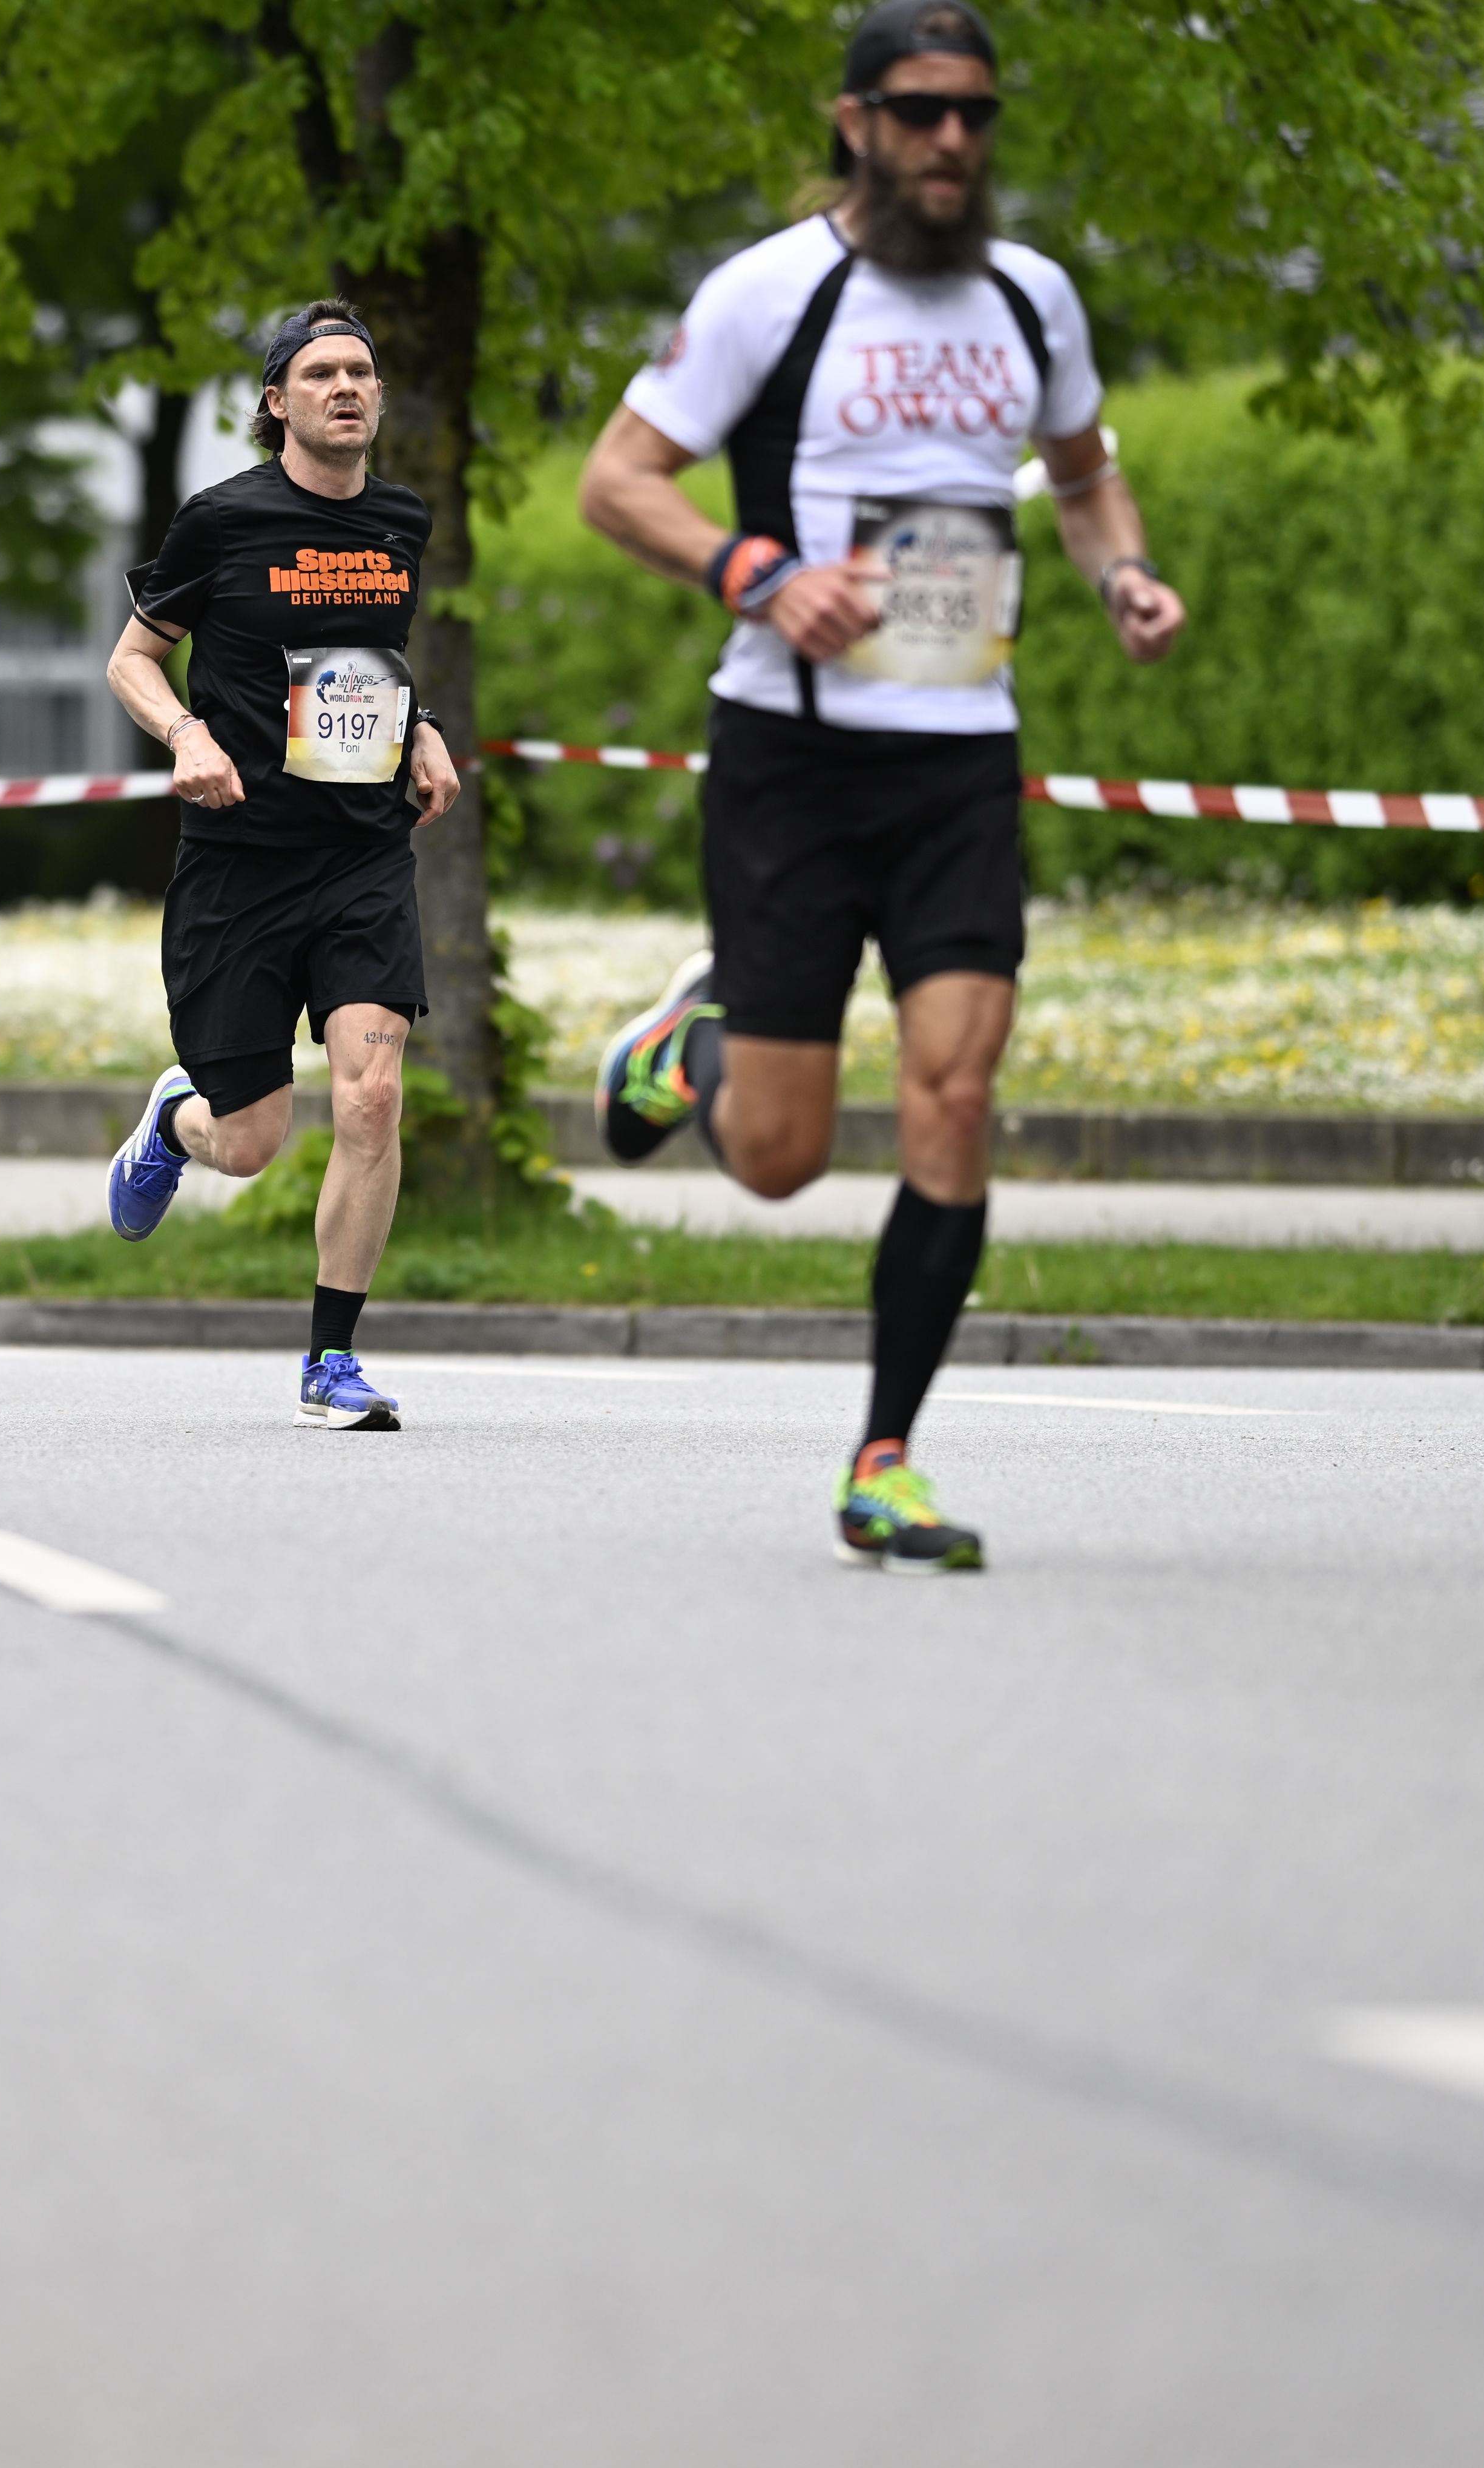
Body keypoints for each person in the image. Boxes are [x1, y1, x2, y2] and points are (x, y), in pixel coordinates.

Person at [576, 0, 1184, 1571]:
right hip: (791, 761)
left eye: (975, 112)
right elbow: (616, 482)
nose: (952, 140)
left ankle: (886, 1460)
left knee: (956, 1094)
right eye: (920, 111)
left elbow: (1086, 472)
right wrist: (757, 573)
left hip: (959, 757)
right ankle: (691, 1044)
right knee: (783, 1159)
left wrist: (1122, 574)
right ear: (856, 123)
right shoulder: (769, 291)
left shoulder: (1033, 297)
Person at [100, 301, 462, 1430]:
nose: (345, 388)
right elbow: (132, 660)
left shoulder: (402, 520)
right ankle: (178, 1122)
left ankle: (331, 1360)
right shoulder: (221, 520)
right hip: (241, 862)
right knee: (251, 1141)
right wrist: (186, 734)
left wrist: (425, 729)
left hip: (362, 854)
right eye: (319, 374)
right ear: (277, 402)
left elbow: (374, 660)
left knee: (373, 1097)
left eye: (360, 372)